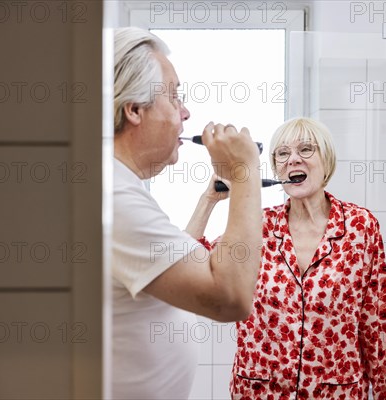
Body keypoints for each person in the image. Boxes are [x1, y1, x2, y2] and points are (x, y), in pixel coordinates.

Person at [111, 27, 262, 400]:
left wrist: (212, 199)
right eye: (174, 96)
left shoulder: (119, 186)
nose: (185, 112)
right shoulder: (114, 197)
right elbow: (230, 297)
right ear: (133, 109)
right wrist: (245, 173)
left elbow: (185, 262)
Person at [227, 117, 386, 399]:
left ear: (327, 161)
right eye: (283, 154)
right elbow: (192, 258)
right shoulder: (257, 225)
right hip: (261, 392)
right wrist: (209, 199)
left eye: (306, 150)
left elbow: (376, 325)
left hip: (335, 393)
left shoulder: (360, 227)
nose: (293, 160)